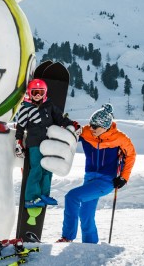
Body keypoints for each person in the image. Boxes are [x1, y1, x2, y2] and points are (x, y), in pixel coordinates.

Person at [56, 103, 136, 244]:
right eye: (90, 125)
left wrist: (123, 178)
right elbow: (70, 136)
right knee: (86, 214)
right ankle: (91, 245)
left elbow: (131, 155)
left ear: (105, 127)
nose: (91, 128)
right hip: (90, 179)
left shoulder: (119, 138)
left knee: (72, 197)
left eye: (95, 127)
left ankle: (67, 237)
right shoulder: (86, 132)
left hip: (106, 181)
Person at [15, 78, 78, 208]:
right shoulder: (25, 109)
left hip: (50, 144)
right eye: (35, 92)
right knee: (37, 168)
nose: (38, 95)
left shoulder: (49, 106)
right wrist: (19, 142)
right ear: (29, 93)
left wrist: (71, 125)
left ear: (45, 93)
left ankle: (44, 195)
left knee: (48, 168)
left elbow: (60, 119)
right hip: (35, 144)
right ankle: (31, 198)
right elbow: (20, 127)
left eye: (40, 92)